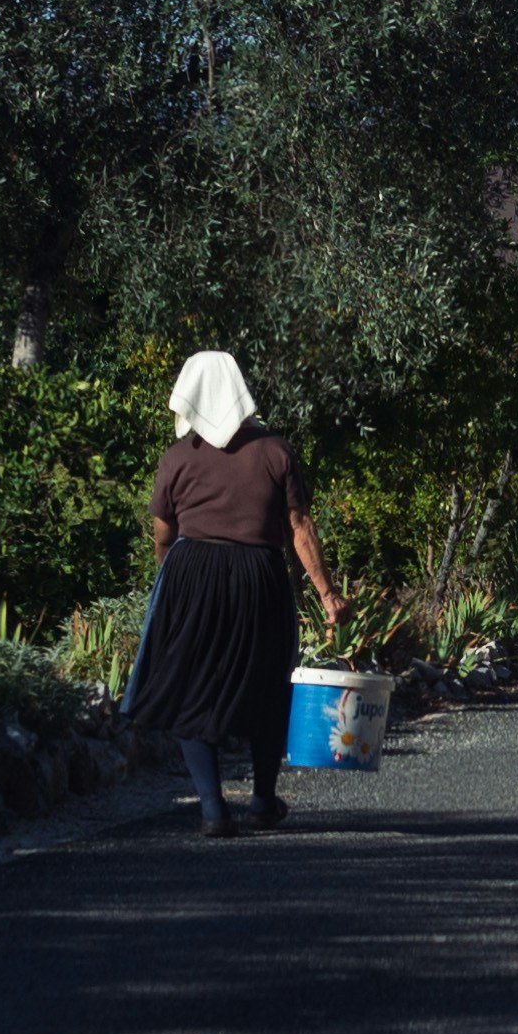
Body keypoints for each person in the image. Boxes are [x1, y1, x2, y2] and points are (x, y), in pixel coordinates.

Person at [129, 350, 343, 837]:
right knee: (267, 684)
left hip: (191, 573)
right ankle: (263, 803)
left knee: (189, 685)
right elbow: (299, 528)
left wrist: (173, 587)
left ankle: (212, 810)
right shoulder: (275, 451)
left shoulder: (178, 457)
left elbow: (163, 534)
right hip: (258, 576)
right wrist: (328, 596)